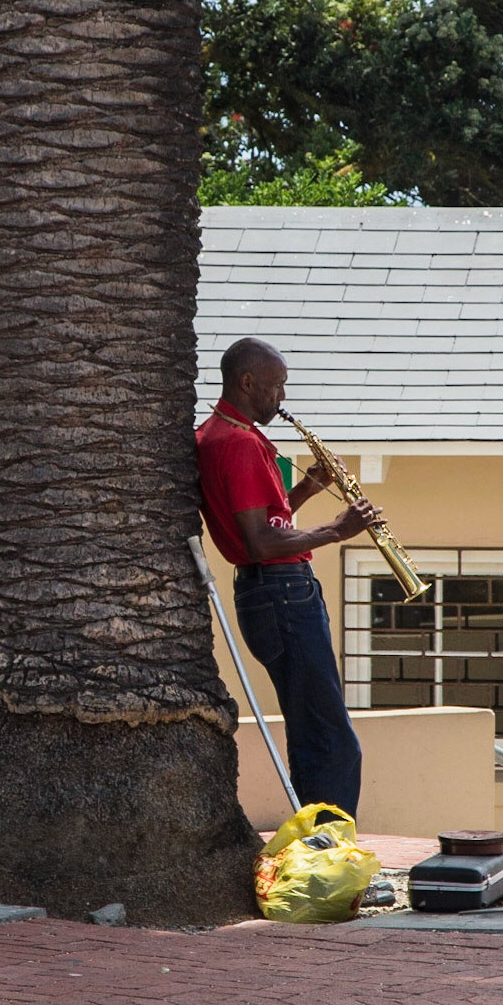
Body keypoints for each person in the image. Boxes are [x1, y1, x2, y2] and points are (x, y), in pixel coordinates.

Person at [196, 336, 377, 816]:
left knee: (312, 728)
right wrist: (336, 530)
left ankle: (317, 837)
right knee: (332, 739)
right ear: (246, 382)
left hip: (269, 593)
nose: (282, 397)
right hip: (282, 594)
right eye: (275, 385)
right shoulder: (239, 444)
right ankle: (329, 846)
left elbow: (262, 524)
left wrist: (307, 489)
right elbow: (260, 543)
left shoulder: (218, 433)